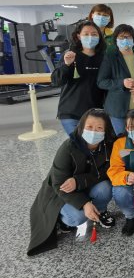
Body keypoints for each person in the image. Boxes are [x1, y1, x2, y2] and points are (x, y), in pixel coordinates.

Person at [28, 109, 116, 256]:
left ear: (106, 131)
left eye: (99, 128)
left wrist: (78, 181)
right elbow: (58, 184)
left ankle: (100, 212)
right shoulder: (68, 147)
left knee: (105, 187)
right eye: (89, 127)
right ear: (81, 127)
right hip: (63, 192)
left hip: (85, 185)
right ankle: (62, 221)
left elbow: (107, 171)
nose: (93, 132)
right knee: (77, 217)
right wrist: (84, 204)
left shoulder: (108, 146)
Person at [97, 24, 134, 135]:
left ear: (133, 39)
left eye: (128, 37)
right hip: (118, 109)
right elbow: (101, 82)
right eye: (121, 37)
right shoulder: (110, 58)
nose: (125, 40)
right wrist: (122, 83)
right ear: (116, 40)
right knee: (122, 140)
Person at [52, 21, 106, 135]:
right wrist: (67, 65)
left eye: (94, 34)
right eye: (86, 34)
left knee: (94, 143)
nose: (90, 37)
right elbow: (56, 81)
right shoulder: (70, 55)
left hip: (96, 113)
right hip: (71, 113)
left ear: (99, 36)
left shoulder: (104, 58)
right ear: (78, 36)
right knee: (78, 142)